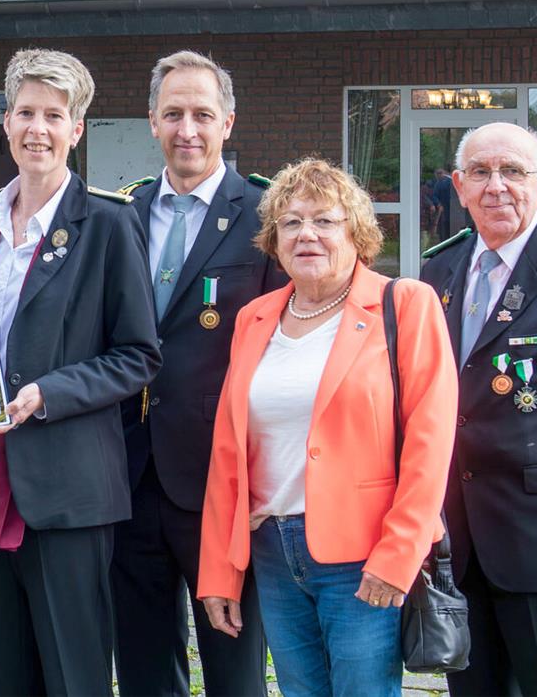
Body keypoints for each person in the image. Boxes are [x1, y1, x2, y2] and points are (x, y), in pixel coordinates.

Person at [0, 48, 162, 695]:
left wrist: (48, 393)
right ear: (6, 121)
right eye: (26, 112)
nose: (38, 128)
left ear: (76, 129)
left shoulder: (109, 222)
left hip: (65, 493)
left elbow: (138, 355)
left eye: (54, 115)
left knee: (73, 679)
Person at [198, 158, 457, 697]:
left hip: (363, 554)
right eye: (291, 222)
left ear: (356, 232)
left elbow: (430, 445)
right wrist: (219, 569)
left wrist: (400, 553)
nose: (306, 234)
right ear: (274, 240)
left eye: (324, 221)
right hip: (272, 549)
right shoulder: (255, 318)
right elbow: (229, 453)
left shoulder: (405, 304)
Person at [111, 51, 279, 697]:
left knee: (234, 671)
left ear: (227, 122)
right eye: (174, 113)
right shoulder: (120, 213)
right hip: (128, 475)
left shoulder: (265, 216)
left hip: (220, 482)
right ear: (152, 120)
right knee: (145, 668)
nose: (188, 130)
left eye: (203, 115)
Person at [420, 122, 537, 696]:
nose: (496, 186)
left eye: (512, 171)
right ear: (459, 187)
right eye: (480, 173)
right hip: (457, 544)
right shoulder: (438, 271)